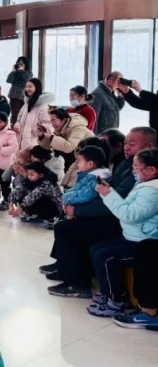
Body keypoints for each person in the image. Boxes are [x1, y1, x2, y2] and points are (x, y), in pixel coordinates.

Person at [45, 127, 155, 297]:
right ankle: (65, 268)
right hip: (115, 215)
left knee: (68, 227)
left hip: (120, 221)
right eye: (126, 142)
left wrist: (78, 210)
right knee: (66, 223)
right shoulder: (126, 164)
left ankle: (77, 284)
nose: (126, 147)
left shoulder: (142, 173)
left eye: (132, 144)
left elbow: (116, 200)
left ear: (149, 146)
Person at [86, 147, 158, 318]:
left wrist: (108, 195)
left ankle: (115, 301)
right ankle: (115, 294)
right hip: (133, 236)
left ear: (151, 170)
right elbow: (126, 206)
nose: (133, 171)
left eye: (136, 167)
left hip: (145, 243)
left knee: (105, 257)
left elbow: (129, 214)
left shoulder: (153, 192)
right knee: (97, 249)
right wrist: (109, 192)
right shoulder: (145, 185)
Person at [13, 77, 53, 150]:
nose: (28, 89)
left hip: (34, 141)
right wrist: (17, 125)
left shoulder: (43, 106)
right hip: (21, 140)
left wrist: (37, 130)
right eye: (26, 87)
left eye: (30, 87)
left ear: (37, 88)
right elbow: (19, 118)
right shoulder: (27, 103)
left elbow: (48, 123)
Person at [6, 56, 32, 126]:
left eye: (22, 63)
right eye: (19, 63)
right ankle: (14, 128)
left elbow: (27, 80)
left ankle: (22, 128)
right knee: (15, 115)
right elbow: (8, 80)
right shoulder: (15, 73)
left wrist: (22, 71)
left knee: (24, 114)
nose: (20, 65)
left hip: (24, 96)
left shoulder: (28, 73)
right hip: (14, 96)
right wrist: (14, 71)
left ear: (26, 64)